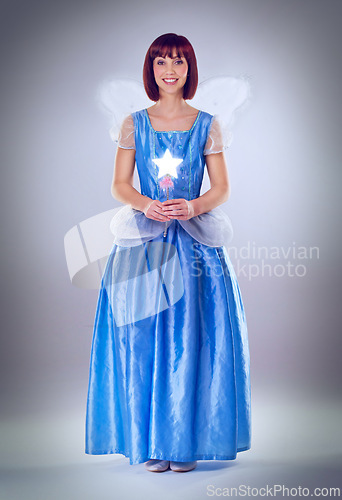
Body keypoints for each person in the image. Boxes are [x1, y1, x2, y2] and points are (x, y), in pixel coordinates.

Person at [85, 33, 251, 473]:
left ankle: (184, 441)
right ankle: (152, 441)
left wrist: (193, 206)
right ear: (151, 69)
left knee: (192, 337)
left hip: (194, 244)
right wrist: (147, 204)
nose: (170, 70)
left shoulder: (208, 124)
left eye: (178, 62)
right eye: (161, 62)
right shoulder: (132, 124)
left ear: (189, 69)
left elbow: (222, 188)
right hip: (144, 242)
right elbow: (119, 184)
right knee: (143, 337)